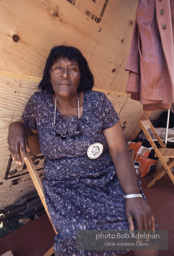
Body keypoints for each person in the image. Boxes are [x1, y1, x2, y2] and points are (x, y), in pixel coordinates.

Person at [8, 45, 157, 256]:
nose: (65, 74)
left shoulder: (98, 102)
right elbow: (25, 125)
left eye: (73, 69)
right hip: (64, 189)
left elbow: (119, 151)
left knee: (145, 230)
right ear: (48, 75)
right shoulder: (38, 104)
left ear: (82, 75)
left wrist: (132, 195)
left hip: (105, 180)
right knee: (80, 239)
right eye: (58, 67)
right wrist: (15, 127)